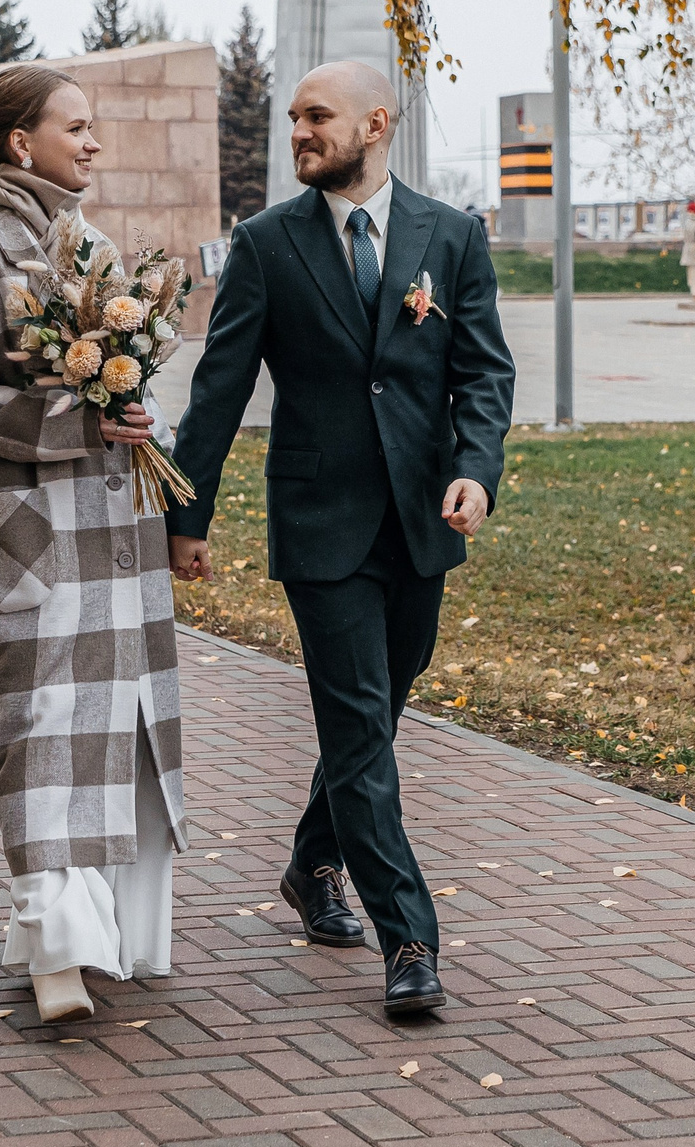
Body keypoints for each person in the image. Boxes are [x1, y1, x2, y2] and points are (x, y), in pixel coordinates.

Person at [165, 60, 516, 1018]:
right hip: (320, 527)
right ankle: (410, 938)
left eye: (317, 117)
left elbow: (484, 374)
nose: (299, 134)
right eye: (292, 119)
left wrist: (475, 473)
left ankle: (312, 861)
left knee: (379, 711)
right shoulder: (268, 244)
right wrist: (187, 517)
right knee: (360, 725)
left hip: (421, 522)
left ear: (375, 123)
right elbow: (221, 389)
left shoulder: (452, 236)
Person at [0, 64, 190, 1025]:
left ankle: (107, 939)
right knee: (38, 741)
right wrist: (81, 419)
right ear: (17, 143)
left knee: (115, 735)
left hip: (111, 539)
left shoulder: (93, 245)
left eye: (95, 126)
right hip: (29, 546)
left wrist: (129, 411)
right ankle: (53, 957)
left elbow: (116, 385)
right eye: (74, 126)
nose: (92, 142)